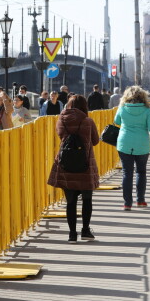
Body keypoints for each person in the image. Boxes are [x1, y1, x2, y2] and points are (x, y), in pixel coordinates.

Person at [47, 95, 100, 243]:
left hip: (66, 164)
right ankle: (85, 231)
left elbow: (60, 135)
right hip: (85, 165)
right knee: (87, 199)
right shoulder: (88, 121)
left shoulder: (61, 119)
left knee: (70, 201)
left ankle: (72, 234)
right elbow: (95, 141)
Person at [115, 86, 150, 210]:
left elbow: (116, 121)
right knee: (141, 172)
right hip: (142, 144)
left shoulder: (122, 108)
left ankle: (127, 203)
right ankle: (141, 200)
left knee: (127, 173)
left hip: (124, 143)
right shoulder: (147, 110)